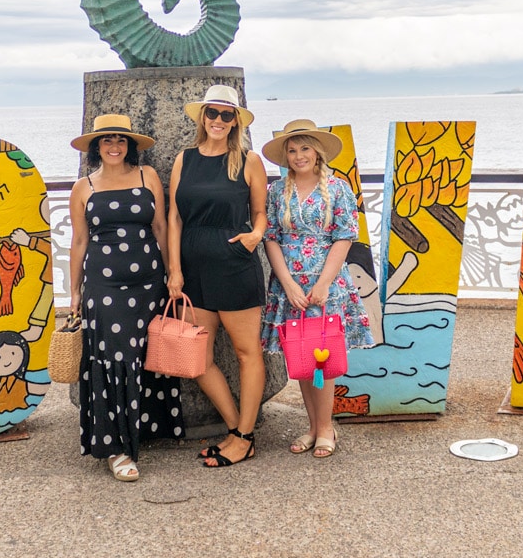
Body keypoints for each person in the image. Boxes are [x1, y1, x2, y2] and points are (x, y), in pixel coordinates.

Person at [68, 114, 183, 481]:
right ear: (96, 147)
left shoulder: (147, 176)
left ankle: (143, 429)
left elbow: (161, 227)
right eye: (106, 140)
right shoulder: (83, 187)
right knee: (113, 358)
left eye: (120, 139)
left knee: (147, 356)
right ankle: (116, 448)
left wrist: (171, 275)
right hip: (103, 286)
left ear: (130, 145)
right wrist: (73, 292)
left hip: (149, 283)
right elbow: (79, 241)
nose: (114, 146)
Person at [261, 119, 375, 458]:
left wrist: (323, 283)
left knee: (320, 359)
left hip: (325, 284)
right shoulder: (276, 192)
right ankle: (312, 426)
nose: (299, 156)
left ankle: (326, 429)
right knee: (300, 355)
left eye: (305, 149)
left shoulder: (338, 189)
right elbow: (271, 237)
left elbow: (344, 236)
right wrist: (287, 283)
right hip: (290, 284)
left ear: (317, 151)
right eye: (292, 150)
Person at [167, 85, 267, 468]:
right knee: (198, 359)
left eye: (228, 115)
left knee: (246, 353)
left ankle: (242, 437)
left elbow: (260, 212)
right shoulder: (184, 159)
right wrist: (174, 270)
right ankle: (238, 430)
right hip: (193, 270)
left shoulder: (248, 160)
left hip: (234, 264)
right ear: (202, 116)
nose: (219, 121)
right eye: (213, 113)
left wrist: (254, 237)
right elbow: (175, 217)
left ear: (236, 121)